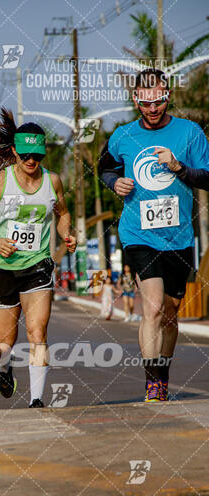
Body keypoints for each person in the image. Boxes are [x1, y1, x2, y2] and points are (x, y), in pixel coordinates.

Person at [99, 68, 209, 402]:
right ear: (136, 100)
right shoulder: (122, 136)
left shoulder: (190, 133)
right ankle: (152, 383)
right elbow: (105, 167)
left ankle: (163, 371)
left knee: (171, 313)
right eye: (146, 103)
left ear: (167, 97)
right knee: (153, 307)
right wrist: (113, 183)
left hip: (178, 237)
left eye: (158, 101)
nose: (152, 108)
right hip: (138, 234)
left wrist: (179, 168)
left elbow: (207, 177)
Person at [0, 108, 76, 408]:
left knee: (38, 332)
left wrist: (67, 233)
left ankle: (37, 400)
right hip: (1, 268)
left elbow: (63, 213)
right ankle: (3, 371)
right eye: (26, 154)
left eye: (37, 155)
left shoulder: (52, 182)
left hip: (37, 265)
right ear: (14, 151)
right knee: (4, 344)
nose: (31, 160)